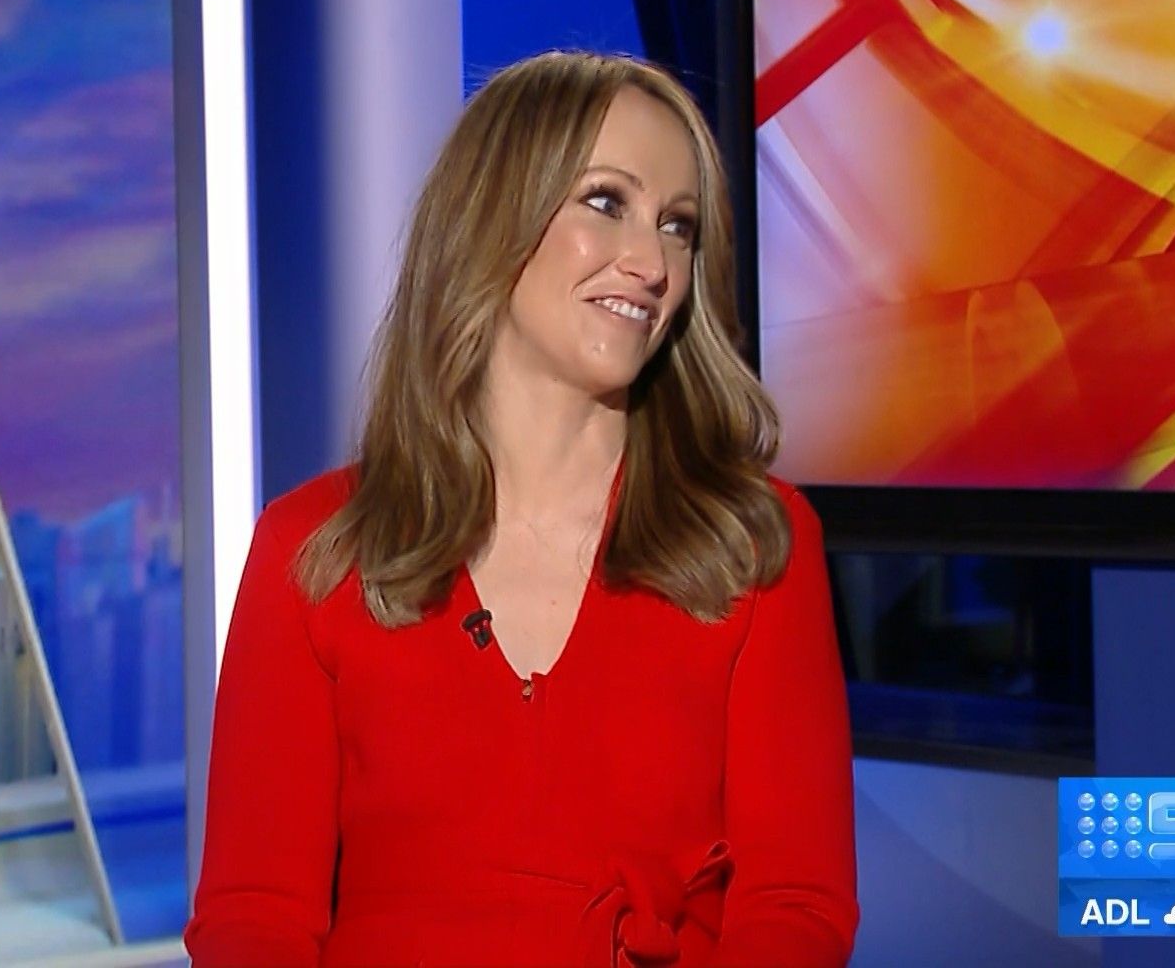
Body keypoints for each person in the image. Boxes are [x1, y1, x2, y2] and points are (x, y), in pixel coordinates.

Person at [185, 51, 857, 967]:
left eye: (678, 225)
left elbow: (797, 907)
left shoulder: (753, 545)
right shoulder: (314, 548)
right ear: (493, 218)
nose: (651, 263)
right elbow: (254, 916)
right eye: (606, 202)